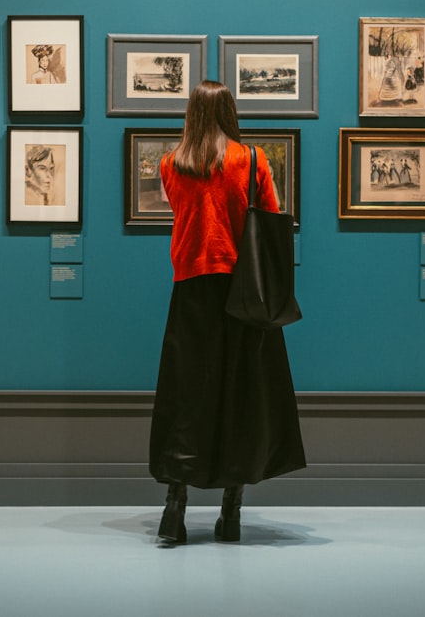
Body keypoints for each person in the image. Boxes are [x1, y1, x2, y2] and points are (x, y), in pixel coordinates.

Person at [149, 80, 306, 545]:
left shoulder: (171, 164)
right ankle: (231, 513)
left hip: (191, 288)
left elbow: (183, 211)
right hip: (245, 292)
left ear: (192, 112)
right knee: (243, 397)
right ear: (230, 111)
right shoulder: (253, 160)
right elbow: (274, 220)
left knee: (186, 398)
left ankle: (174, 510)